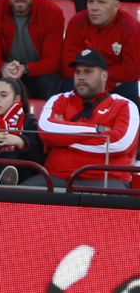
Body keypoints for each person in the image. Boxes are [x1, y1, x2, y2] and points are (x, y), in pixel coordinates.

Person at [36, 49, 140, 188]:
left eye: (88, 71)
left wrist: (63, 140)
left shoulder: (125, 105)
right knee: (20, 195)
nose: (81, 77)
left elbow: (120, 144)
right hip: (57, 177)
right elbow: (46, 130)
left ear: (104, 75)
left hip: (106, 180)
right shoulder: (59, 100)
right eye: (78, 72)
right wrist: (98, 130)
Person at [62, 0, 140, 94]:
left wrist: (98, 80)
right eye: (90, 2)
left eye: (101, 2)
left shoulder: (131, 27)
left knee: (129, 86)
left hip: (116, 86)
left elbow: (131, 71)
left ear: (116, 6)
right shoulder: (77, 22)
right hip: (87, 81)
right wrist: (99, 78)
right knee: (68, 83)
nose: (94, 8)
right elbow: (68, 65)